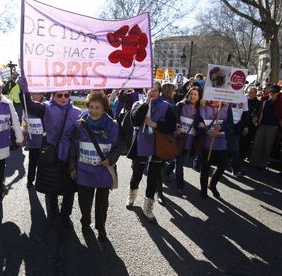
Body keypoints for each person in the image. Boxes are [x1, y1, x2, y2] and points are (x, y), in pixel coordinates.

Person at [18, 77, 81, 224]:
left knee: (69, 190)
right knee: (50, 189)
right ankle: (52, 214)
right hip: (50, 155)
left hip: (68, 157)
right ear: (53, 95)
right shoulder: (46, 108)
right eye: (60, 95)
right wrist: (24, 89)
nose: (63, 98)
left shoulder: (78, 112)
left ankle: (65, 216)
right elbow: (28, 105)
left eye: (67, 95)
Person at [69, 92, 123, 241]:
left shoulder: (113, 126)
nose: (93, 111)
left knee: (102, 204)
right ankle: (85, 222)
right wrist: (72, 167)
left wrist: (110, 159)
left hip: (103, 172)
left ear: (104, 109)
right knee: (84, 202)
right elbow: (73, 148)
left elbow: (119, 147)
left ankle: (101, 227)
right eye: (91, 107)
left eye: (97, 107)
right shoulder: (80, 124)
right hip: (84, 171)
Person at [126, 82, 176, 222]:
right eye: (149, 90)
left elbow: (171, 127)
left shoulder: (166, 107)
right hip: (140, 145)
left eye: (155, 90)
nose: (152, 92)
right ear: (145, 90)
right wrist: (146, 102)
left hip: (157, 146)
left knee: (153, 177)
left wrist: (155, 124)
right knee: (137, 173)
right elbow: (135, 121)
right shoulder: (138, 103)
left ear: (160, 92)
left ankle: (148, 207)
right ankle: (131, 195)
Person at [162, 86, 202, 198]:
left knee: (178, 160)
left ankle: (165, 173)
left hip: (190, 140)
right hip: (178, 138)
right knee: (180, 163)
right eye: (191, 93)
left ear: (199, 97)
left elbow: (200, 123)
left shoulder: (200, 109)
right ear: (188, 94)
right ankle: (181, 186)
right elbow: (174, 118)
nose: (193, 96)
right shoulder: (180, 104)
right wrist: (177, 125)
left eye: (196, 94)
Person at [250, 84, 282, 170]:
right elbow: (257, 110)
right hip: (261, 125)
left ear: (277, 93)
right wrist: (255, 116)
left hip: (273, 127)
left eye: (273, 92)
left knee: (267, 146)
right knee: (257, 145)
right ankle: (253, 162)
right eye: (270, 92)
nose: (271, 94)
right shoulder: (264, 100)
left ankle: (262, 164)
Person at [198, 101, 233, 199]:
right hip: (207, 143)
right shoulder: (202, 107)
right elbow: (197, 123)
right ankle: (203, 190)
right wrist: (206, 130)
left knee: (222, 166)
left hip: (222, 143)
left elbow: (230, 124)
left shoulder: (226, 107)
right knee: (205, 167)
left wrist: (222, 127)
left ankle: (212, 184)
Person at [20, 92, 45, 188]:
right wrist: (23, 135)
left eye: (37, 94)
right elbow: (24, 122)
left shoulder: (45, 106)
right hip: (32, 140)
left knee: (43, 162)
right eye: (33, 94)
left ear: (42, 95)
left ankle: (42, 181)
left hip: (43, 139)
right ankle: (30, 180)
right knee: (32, 161)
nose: (34, 96)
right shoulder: (27, 106)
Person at [239, 87, 260, 160]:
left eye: (251, 92)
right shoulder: (244, 100)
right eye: (248, 92)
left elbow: (258, 114)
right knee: (239, 141)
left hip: (250, 125)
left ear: (255, 94)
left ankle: (242, 158)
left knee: (246, 142)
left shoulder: (258, 103)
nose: (249, 94)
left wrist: (256, 116)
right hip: (241, 123)